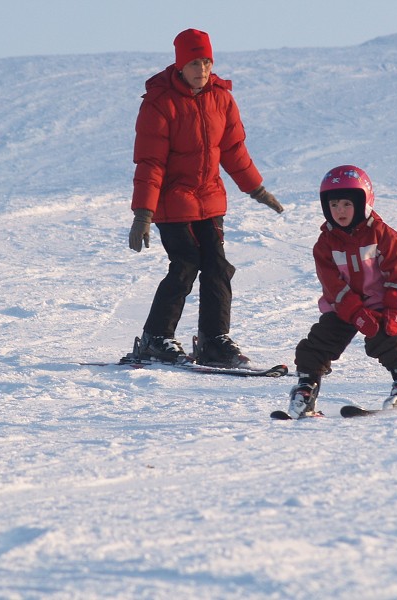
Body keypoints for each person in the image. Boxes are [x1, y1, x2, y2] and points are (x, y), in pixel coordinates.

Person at [128, 28, 284, 368]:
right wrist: (143, 213)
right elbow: (150, 161)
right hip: (172, 203)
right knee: (185, 264)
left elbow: (233, 150)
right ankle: (156, 337)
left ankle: (214, 340)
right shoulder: (160, 103)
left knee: (217, 267)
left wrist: (256, 189)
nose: (203, 69)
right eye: (195, 62)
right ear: (181, 64)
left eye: (208, 62)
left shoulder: (221, 98)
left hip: (209, 200)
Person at [287, 165, 397, 418]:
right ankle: (306, 388)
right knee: (318, 343)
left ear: (363, 202)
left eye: (347, 204)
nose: (340, 211)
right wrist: (353, 311)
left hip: (379, 306)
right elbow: (331, 284)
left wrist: (393, 311)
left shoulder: (384, 236)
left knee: (387, 338)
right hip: (344, 308)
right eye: (334, 205)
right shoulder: (325, 244)